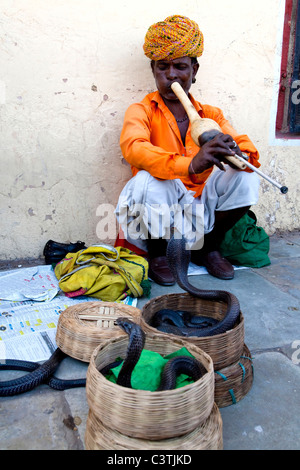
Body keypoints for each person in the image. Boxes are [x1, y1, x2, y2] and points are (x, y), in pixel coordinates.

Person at [115, 14, 260, 286]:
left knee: (247, 175)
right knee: (148, 178)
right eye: (163, 67)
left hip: (200, 211)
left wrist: (236, 152)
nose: (171, 75)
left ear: (194, 69)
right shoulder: (141, 111)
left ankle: (207, 248)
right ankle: (157, 255)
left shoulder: (211, 114)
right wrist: (191, 165)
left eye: (180, 67)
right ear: (153, 70)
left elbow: (244, 145)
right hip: (157, 213)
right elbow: (134, 149)